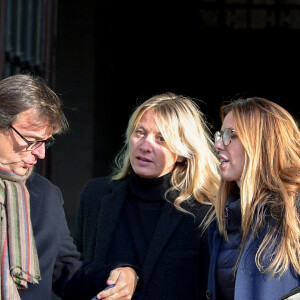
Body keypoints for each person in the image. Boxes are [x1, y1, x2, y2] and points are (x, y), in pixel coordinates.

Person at [0, 74, 138, 300]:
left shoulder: (45, 195)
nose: (40, 153)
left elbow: (67, 271)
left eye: (45, 142)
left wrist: (119, 275)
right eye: (31, 140)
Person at [73, 92, 220, 300]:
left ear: (181, 152)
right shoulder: (95, 195)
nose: (145, 145)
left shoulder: (203, 211)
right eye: (140, 133)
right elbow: (73, 273)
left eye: (161, 138)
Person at [206, 97, 300, 300]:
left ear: (263, 142)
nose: (219, 144)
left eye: (231, 135)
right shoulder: (218, 221)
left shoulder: (295, 209)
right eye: (220, 135)